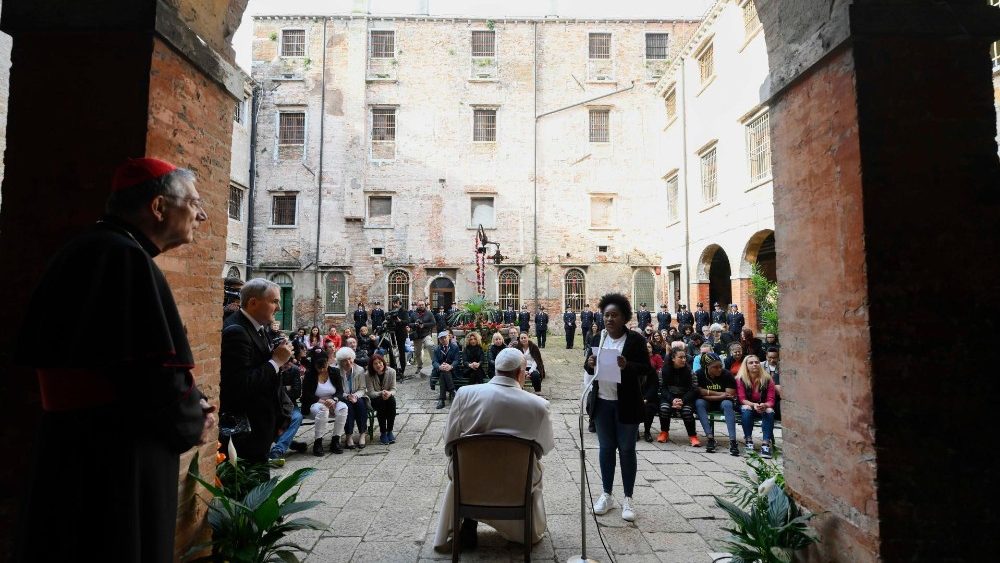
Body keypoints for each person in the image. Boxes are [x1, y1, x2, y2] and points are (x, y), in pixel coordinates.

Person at [16, 157, 216, 563]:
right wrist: (194, 418)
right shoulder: (125, 259)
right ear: (159, 208)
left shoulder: (91, 247)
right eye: (193, 202)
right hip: (115, 460)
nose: (202, 214)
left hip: (76, 444)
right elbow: (152, 376)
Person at [433, 348, 555, 552]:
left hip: (470, 482)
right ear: (520, 373)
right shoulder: (539, 405)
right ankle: (521, 530)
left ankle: (468, 528)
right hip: (516, 483)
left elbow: (449, 441)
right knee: (532, 467)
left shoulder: (465, 395)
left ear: (495, 370)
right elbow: (545, 448)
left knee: (466, 466)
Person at [584, 293, 653, 523]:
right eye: (606, 315)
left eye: (614, 315)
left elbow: (646, 369)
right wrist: (589, 363)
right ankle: (607, 494)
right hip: (602, 402)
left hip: (627, 403)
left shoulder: (635, 340)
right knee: (605, 449)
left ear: (624, 318)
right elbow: (588, 364)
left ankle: (628, 498)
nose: (609, 319)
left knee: (626, 450)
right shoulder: (597, 338)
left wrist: (628, 365)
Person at [221, 278, 295, 464]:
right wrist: (276, 362)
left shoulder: (258, 328)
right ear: (253, 302)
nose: (278, 308)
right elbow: (239, 384)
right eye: (274, 301)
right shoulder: (236, 331)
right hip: (247, 432)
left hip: (262, 429)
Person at [301, 351, 347, 455]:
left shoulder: (335, 372)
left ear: (327, 363)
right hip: (315, 403)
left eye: (324, 367)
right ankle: (318, 442)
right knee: (323, 410)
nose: (322, 370)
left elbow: (340, 391)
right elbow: (306, 395)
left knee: (343, 408)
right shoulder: (309, 375)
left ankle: (335, 440)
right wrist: (322, 401)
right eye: (319, 368)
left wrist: (334, 399)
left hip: (332, 401)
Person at [694, 353, 740, 456]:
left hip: (722, 403)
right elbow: (699, 393)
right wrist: (720, 394)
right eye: (715, 367)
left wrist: (708, 393)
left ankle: (733, 441)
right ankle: (710, 438)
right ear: (707, 367)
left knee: (728, 404)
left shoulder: (727, 374)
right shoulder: (699, 374)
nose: (719, 369)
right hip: (707, 402)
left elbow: (730, 395)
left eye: (720, 366)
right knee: (699, 403)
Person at [269, 356, 308, 464]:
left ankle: (277, 450)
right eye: (284, 363)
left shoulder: (294, 370)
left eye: (289, 363)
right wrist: (285, 388)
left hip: (289, 405)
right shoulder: (271, 369)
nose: (287, 366)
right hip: (272, 406)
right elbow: (270, 392)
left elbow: (296, 392)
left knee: (297, 417)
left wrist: (281, 391)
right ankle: (290, 444)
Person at [658, 348, 700, 446]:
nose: (684, 360)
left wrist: (682, 400)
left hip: (685, 397)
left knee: (687, 411)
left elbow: (694, 389)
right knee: (664, 408)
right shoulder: (664, 370)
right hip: (669, 397)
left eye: (684, 357)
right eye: (680, 357)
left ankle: (692, 436)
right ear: (673, 358)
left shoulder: (690, 371)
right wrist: (672, 400)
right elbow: (662, 388)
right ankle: (664, 432)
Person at [736, 355, 776, 458]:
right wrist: (753, 405)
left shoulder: (768, 379)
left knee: (769, 410)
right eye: (751, 363)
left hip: (762, 406)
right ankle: (748, 441)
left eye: (757, 362)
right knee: (746, 408)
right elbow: (742, 399)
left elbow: (771, 400)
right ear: (746, 365)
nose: (754, 364)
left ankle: (766, 444)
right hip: (748, 405)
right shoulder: (740, 379)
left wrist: (765, 405)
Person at [335, 347, 369, 450]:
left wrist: (355, 396)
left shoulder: (360, 369)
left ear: (353, 358)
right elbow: (338, 390)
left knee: (360, 404)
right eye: (344, 360)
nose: (348, 362)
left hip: (358, 395)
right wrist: (347, 396)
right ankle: (349, 436)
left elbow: (363, 388)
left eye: (349, 359)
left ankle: (362, 434)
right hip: (343, 397)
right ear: (340, 362)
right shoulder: (336, 371)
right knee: (347, 406)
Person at [367, 353, 398, 444]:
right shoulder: (368, 375)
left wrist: (389, 393)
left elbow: (393, 388)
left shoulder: (392, 372)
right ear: (372, 366)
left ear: (383, 363)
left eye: (380, 362)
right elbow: (371, 393)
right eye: (375, 364)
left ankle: (390, 431)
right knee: (381, 402)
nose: (378, 365)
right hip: (375, 399)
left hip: (388, 397)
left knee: (392, 401)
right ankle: (383, 432)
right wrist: (382, 393)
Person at [642, 343, 666, 442]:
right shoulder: (632, 368)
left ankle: (647, 431)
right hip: (635, 396)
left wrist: (646, 398)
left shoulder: (651, 369)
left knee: (650, 407)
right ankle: (634, 430)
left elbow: (654, 386)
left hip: (648, 397)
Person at [433, 331, 461, 409]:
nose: (444, 340)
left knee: (443, 373)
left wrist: (451, 366)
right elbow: (434, 362)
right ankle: (453, 391)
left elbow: (457, 360)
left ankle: (441, 399)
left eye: (445, 337)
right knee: (443, 372)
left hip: (453, 370)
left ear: (448, 337)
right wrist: (439, 366)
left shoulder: (454, 347)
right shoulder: (437, 349)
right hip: (441, 370)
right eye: (441, 338)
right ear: (439, 340)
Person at [411, 300, 436, 375]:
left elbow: (433, 323)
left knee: (430, 345)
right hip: (417, 336)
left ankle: (435, 364)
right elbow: (409, 323)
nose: (421, 306)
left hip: (426, 334)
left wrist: (424, 325)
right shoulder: (413, 314)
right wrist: (414, 324)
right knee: (417, 353)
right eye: (419, 305)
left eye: (422, 304)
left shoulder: (429, 313)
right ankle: (419, 366)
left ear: (424, 305)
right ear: (417, 305)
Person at [390, 297, 409, 377]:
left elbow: (407, 321)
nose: (394, 304)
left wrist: (400, 321)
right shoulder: (392, 311)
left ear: (399, 302)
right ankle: (393, 368)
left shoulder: (404, 311)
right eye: (393, 303)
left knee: (401, 351)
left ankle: (402, 370)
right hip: (393, 333)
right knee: (392, 351)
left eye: (395, 303)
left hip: (401, 333)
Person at [765, 347, 782, 421]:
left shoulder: (782, 366)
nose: (772, 360)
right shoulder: (760, 366)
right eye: (770, 357)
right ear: (766, 356)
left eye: (775, 358)